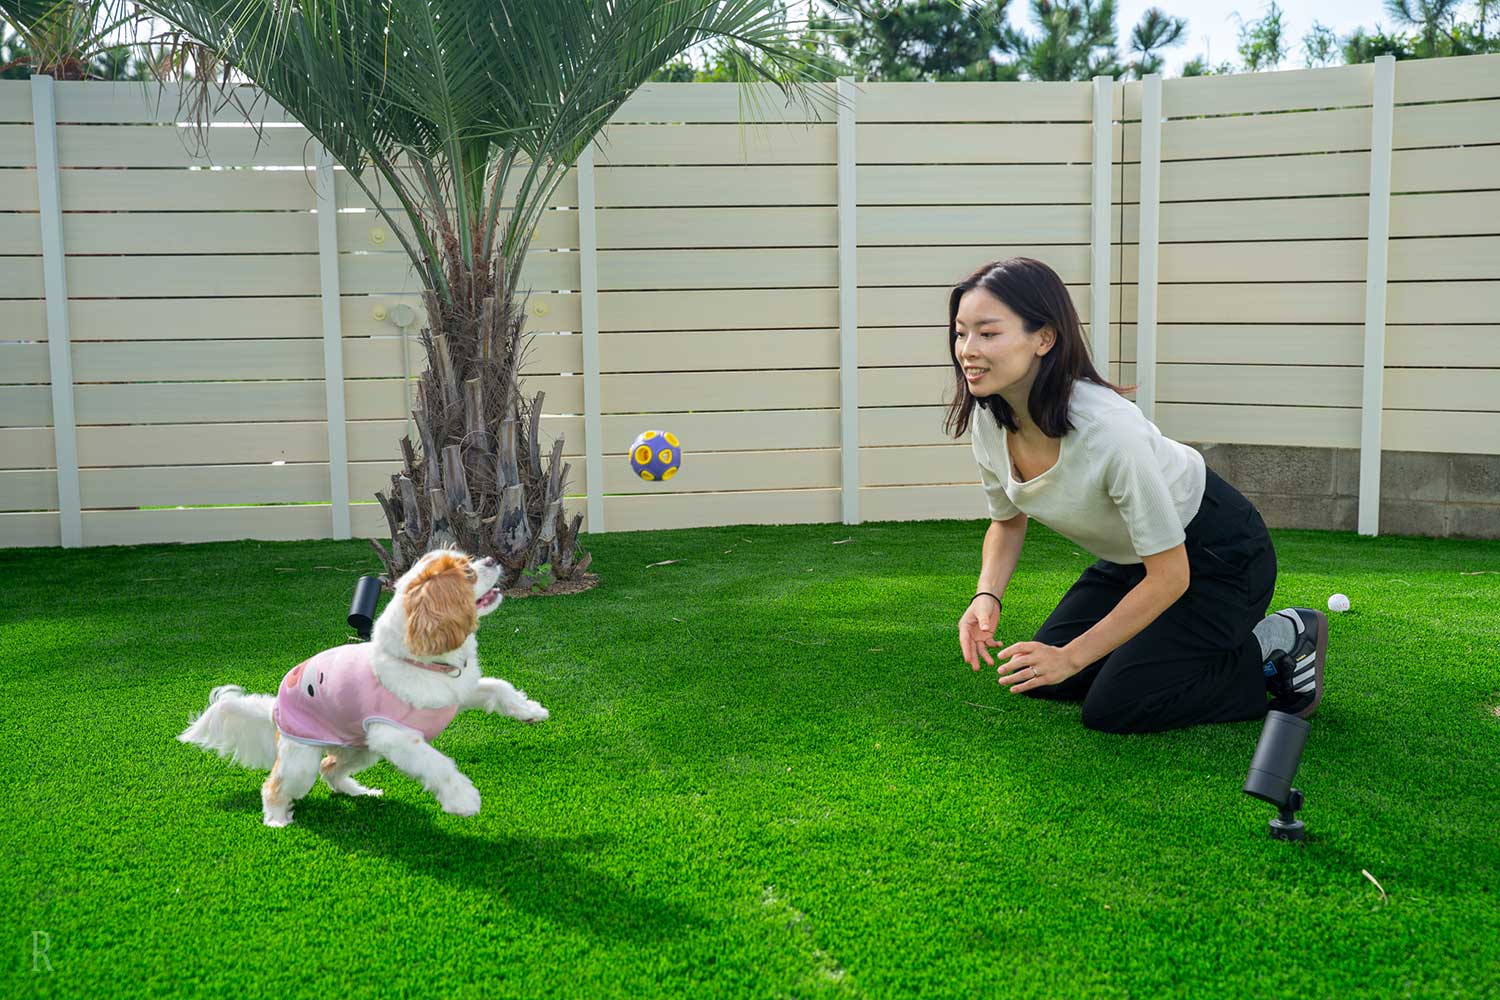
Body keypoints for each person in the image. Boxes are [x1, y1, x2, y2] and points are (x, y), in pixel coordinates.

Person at [948, 258, 1327, 734]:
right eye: (961, 333)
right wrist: (988, 595)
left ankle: (1277, 644)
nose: (967, 350)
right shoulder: (990, 417)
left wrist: (1072, 656)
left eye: (987, 333)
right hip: (1133, 560)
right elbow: (1007, 521)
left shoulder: (1109, 431)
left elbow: (1170, 577)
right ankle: (1155, 649)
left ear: (1044, 338)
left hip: (1218, 560)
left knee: (1118, 704)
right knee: (1043, 678)